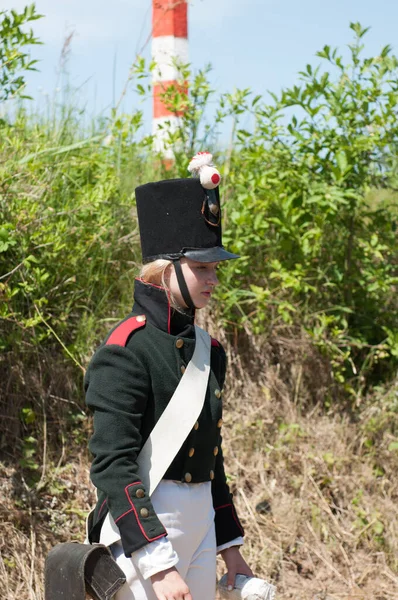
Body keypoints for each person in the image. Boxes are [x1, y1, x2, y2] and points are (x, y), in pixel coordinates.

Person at [84, 152, 253, 600]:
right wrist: (158, 565)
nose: (213, 278)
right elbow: (112, 466)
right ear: (165, 269)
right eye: (201, 267)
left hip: (201, 528)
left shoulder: (210, 352)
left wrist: (230, 545)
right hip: (144, 531)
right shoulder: (125, 352)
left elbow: (210, 460)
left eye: (214, 267)